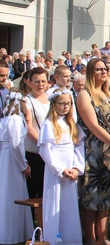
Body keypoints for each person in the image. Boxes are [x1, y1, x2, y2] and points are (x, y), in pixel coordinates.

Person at [77, 58, 110, 244]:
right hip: (95, 152)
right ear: (90, 72)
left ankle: (103, 236)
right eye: (98, 69)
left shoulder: (109, 94)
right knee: (92, 197)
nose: (103, 72)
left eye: (105, 69)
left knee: (108, 196)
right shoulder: (85, 95)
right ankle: (91, 238)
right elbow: (93, 125)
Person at [39, 88, 84, 245]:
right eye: (62, 104)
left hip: (70, 170)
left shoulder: (71, 124)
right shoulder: (48, 124)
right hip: (56, 172)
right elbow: (45, 150)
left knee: (69, 206)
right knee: (54, 203)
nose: (65, 107)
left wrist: (76, 169)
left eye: (68, 104)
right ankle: (53, 239)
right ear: (54, 104)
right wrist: (60, 169)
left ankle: (71, 239)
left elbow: (78, 148)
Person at [0, 91, 34, 244]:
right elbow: (15, 145)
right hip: (13, 161)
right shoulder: (14, 120)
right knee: (12, 194)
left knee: (7, 193)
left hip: (5, 158)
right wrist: (23, 165)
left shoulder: (4, 120)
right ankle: (12, 234)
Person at [25, 67, 51, 200]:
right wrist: (43, 145)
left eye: (43, 81)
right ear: (29, 83)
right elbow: (29, 127)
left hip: (51, 152)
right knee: (32, 191)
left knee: (46, 192)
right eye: (36, 81)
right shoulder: (27, 101)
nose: (40, 85)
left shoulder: (52, 99)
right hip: (35, 152)